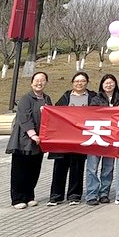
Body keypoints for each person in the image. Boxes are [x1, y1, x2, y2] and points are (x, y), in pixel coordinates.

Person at [47, 70, 93, 205]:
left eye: (83, 81)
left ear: (87, 83)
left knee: (77, 167)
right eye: (77, 81)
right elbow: (55, 113)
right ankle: (56, 196)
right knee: (60, 166)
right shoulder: (65, 97)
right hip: (64, 138)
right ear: (72, 83)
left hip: (81, 138)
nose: (79, 83)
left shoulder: (92, 97)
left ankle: (74, 196)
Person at [7, 71, 52, 209]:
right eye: (36, 80)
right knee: (20, 170)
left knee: (34, 169)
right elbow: (24, 118)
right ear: (31, 83)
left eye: (42, 80)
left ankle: (29, 196)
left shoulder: (47, 99)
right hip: (23, 140)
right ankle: (17, 198)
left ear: (46, 83)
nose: (39, 83)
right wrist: (32, 135)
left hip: (39, 141)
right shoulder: (26, 99)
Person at [84, 74, 119, 205]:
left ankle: (104, 193)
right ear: (102, 85)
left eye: (111, 83)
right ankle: (91, 194)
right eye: (106, 83)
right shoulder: (95, 99)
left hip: (112, 138)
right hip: (96, 137)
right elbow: (91, 115)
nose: (109, 85)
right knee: (92, 168)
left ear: (115, 84)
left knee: (108, 168)